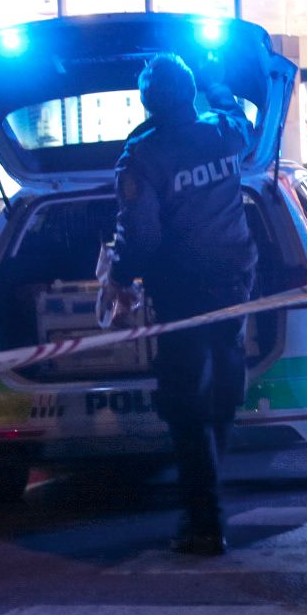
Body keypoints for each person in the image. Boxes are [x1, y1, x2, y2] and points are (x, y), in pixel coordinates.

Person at [102, 55, 257, 556]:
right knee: (222, 390)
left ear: (147, 102)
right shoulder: (223, 133)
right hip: (234, 281)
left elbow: (141, 233)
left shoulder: (142, 156)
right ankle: (209, 501)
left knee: (185, 404)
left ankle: (204, 523)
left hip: (183, 290)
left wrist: (119, 277)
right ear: (189, 93)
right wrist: (218, 85)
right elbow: (242, 122)